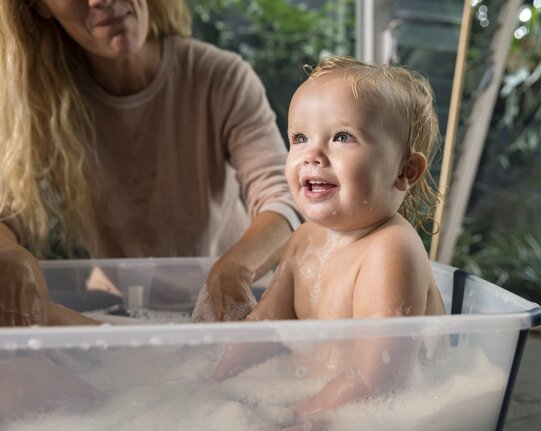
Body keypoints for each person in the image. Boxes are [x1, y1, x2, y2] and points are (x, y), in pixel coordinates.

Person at [0, 0, 300, 326]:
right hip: (125, 312)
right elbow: (11, 211)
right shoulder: (45, 105)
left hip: (241, 308)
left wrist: (236, 268)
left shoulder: (221, 77)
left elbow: (284, 199)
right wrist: (8, 254)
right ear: (40, 7)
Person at [211, 56, 447, 428]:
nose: (311, 155)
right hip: (316, 402)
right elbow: (265, 326)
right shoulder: (303, 240)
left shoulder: (390, 249)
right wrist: (213, 384)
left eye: (342, 137)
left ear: (405, 171)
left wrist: (291, 419)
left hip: (376, 417)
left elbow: (380, 379)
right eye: (299, 138)